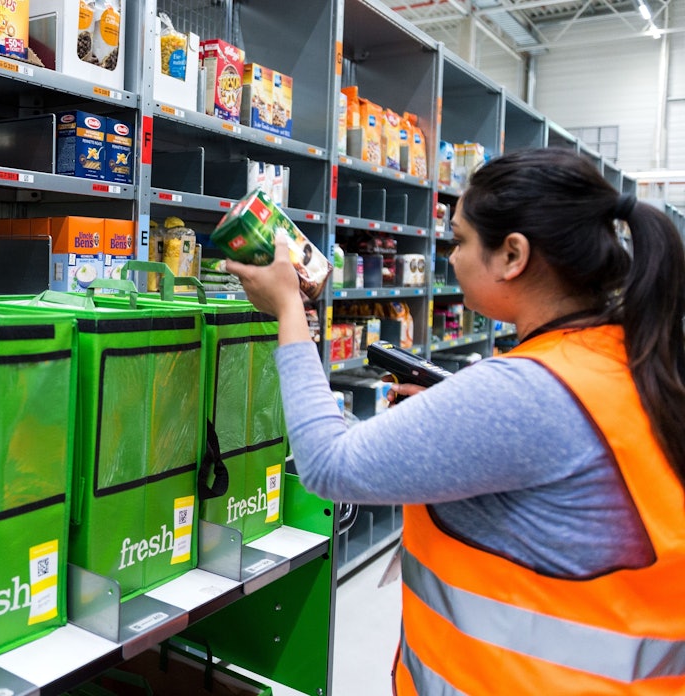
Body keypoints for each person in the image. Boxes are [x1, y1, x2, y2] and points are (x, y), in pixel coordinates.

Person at [224, 147, 685, 695]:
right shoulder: (623, 354)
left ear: (512, 254)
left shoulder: (526, 392)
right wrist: (455, 412)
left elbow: (327, 466)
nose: (451, 257)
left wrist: (288, 312)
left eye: (461, 240)